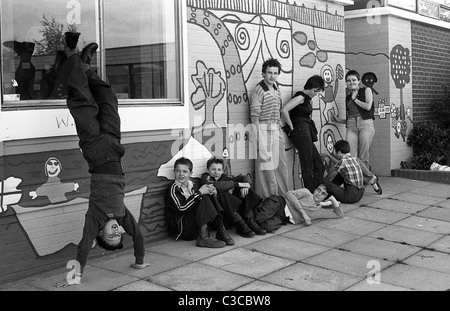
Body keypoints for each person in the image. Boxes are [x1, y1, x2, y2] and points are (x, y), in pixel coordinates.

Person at [55, 33, 149, 287]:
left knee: (84, 103)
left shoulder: (94, 217)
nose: (117, 232)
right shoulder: (121, 216)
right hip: (114, 146)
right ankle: (85, 67)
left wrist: (74, 277)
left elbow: (83, 247)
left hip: (95, 150)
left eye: (111, 236)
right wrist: (139, 260)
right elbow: (138, 236)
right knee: (108, 99)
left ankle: (72, 55)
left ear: (101, 234)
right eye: (119, 235)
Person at [165, 157, 234, 248]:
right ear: (174, 172)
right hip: (183, 229)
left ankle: (220, 230)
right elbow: (181, 208)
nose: (181, 174)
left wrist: (213, 192)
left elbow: (198, 201)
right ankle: (204, 237)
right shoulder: (173, 188)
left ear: (191, 173)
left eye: (185, 172)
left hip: (194, 224)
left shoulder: (192, 185)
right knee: (201, 196)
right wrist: (200, 193)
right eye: (178, 171)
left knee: (207, 193)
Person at [250, 58, 289, 198]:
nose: (272, 76)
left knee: (280, 165)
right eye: (269, 73)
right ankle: (268, 200)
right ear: (263, 73)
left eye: (275, 73)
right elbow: (254, 116)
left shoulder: (277, 88)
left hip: (276, 129)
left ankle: (283, 198)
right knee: (266, 168)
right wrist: (258, 138)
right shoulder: (258, 90)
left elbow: (278, 111)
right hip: (263, 129)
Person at [200, 157, 266, 237]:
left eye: (219, 170)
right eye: (213, 169)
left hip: (230, 214)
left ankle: (249, 221)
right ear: (208, 170)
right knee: (222, 192)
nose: (216, 172)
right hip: (219, 219)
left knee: (244, 189)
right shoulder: (205, 178)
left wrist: (246, 184)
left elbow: (243, 177)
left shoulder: (224, 177)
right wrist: (238, 184)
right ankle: (240, 223)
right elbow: (216, 185)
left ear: (223, 171)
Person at [281, 75, 326, 193]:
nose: (316, 94)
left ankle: (318, 193)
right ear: (311, 87)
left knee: (318, 164)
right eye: (316, 91)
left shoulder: (306, 98)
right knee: (307, 165)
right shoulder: (301, 96)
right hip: (300, 131)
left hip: (305, 130)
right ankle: (310, 195)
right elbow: (285, 110)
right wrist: (291, 127)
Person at [253, 185, 343, 233]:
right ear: (315, 189)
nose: (319, 194)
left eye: (323, 194)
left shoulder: (318, 211)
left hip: (283, 217)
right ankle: (247, 215)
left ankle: (250, 217)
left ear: (325, 198)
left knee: (268, 227)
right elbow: (289, 194)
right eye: (318, 190)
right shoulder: (306, 192)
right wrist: (303, 213)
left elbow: (339, 214)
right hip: (280, 203)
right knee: (260, 217)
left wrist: (332, 198)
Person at [331, 70, 375, 169]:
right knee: (349, 154)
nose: (351, 82)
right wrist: (339, 120)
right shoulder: (348, 97)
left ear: (359, 81)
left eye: (354, 80)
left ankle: (365, 179)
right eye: (348, 80)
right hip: (351, 126)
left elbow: (368, 106)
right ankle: (352, 178)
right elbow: (351, 116)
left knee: (363, 155)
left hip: (365, 124)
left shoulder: (366, 90)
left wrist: (355, 99)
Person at [322, 140, 381, 204]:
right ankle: (327, 194)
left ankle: (323, 195)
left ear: (339, 152)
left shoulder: (343, 162)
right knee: (341, 174)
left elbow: (330, 176)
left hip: (349, 197)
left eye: (336, 153)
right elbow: (338, 165)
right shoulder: (356, 159)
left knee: (325, 181)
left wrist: (323, 183)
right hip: (360, 195)